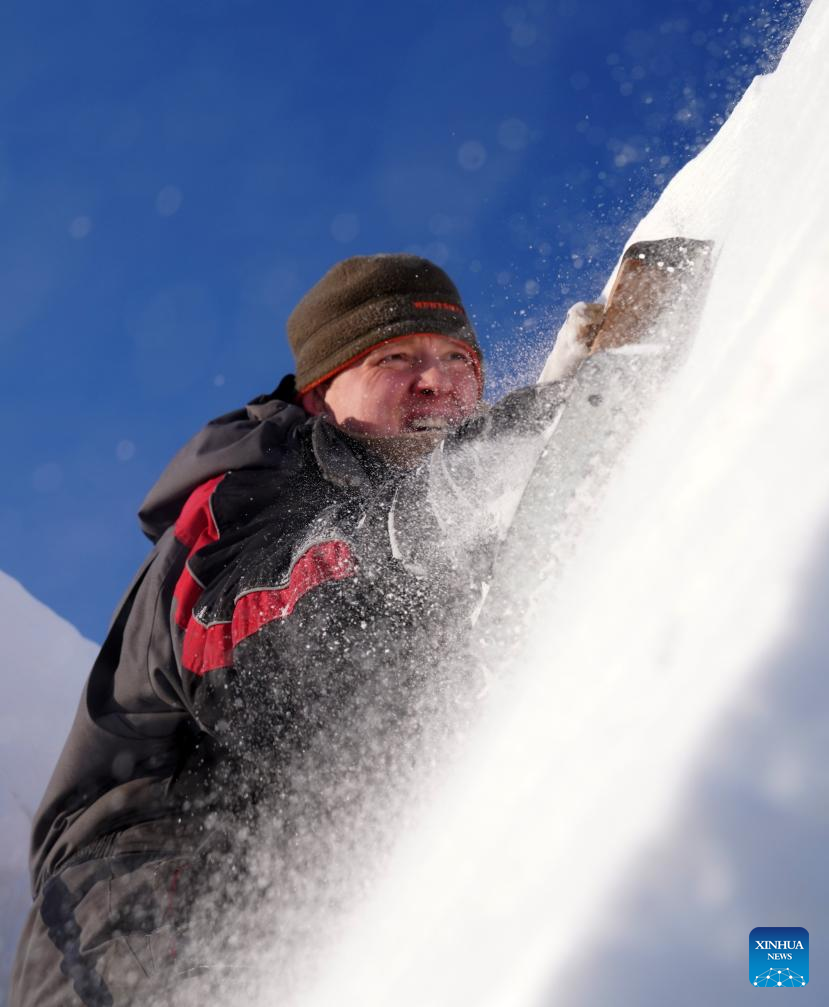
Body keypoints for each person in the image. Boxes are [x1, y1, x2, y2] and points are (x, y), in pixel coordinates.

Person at [10, 254, 599, 1007]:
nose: (436, 379)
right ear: (321, 394)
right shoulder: (249, 487)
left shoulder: (414, 507)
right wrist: (430, 514)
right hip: (133, 900)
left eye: (459, 358)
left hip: (303, 870)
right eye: (395, 357)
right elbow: (234, 646)